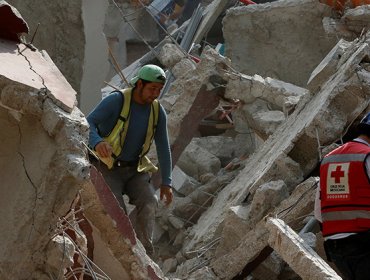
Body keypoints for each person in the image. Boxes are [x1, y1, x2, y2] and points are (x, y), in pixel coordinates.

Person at [87, 64, 173, 256]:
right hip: (107, 167)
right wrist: (97, 142)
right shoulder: (116, 101)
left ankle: (144, 255)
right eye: (152, 89)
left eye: (159, 90)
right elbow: (88, 122)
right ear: (140, 84)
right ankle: (121, 254)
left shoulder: (158, 112)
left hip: (135, 170)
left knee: (150, 201)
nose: (156, 94)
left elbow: (163, 147)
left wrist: (167, 182)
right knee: (117, 214)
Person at [319, 112, 370, 280]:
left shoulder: (328, 160)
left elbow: (318, 213)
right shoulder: (367, 156)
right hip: (364, 245)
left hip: (337, 250)